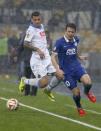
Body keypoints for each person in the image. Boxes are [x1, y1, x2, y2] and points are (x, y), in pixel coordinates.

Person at [49, 23, 96, 116]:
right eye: (68, 31)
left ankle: (87, 92)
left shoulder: (76, 39)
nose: (70, 33)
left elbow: (74, 50)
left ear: (75, 32)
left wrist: (79, 57)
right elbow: (52, 57)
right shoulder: (59, 42)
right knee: (76, 92)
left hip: (77, 67)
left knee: (88, 82)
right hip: (66, 72)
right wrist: (57, 69)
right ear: (65, 31)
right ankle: (79, 107)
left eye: (72, 32)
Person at [18, 11, 63, 101]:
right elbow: (25, 44)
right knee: (43, 83)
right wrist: (38, 50)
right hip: (37, 60)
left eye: (39, 19)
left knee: (60, 75)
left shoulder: (42, 26)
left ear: (41, 19)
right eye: (35, 20)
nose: (37, 21)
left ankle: (48, 90)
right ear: (32, 20)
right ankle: (24, 80)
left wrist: (47, 50)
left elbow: (42, 41)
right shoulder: (30, 30)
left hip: (46, 57)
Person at [17, 32, 38, 96]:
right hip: (29, 60)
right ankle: (31, 93)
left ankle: (28, 92)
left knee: (29, 77)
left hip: (31, 60)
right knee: (31, 77)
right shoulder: (36, 38)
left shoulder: (26, 37)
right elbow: (20, 48)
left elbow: (20, 48)